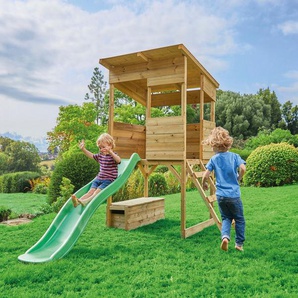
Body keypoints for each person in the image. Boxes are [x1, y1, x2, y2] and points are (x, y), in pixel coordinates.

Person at [202, 127, 246, 252]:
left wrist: (204, 184)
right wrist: (239, 177)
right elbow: (243, 168)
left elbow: (206, 175)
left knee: (226, 218)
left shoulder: (214, 159)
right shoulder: (235, 156)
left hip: (220, 196)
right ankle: (239, 244)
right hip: (234, 195)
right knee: (239, 219)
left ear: (214, 145)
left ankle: (225, 237)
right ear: (227, 143)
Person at [71, 133, 121, 207]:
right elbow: (91, 155)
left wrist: (110, 152)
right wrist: (83, 149)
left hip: (108, 179)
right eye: (100, 147)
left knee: (97, 192)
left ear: (110, 145)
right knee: (90, 191)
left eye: (103, 147)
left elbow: (119, 160)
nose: (101, 149)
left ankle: (86, 201)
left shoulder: (113, 155)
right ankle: (79, 201)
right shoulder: (100, 156)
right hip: (98, 178)